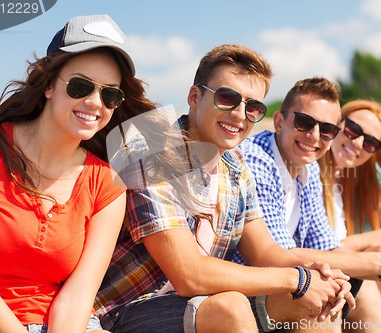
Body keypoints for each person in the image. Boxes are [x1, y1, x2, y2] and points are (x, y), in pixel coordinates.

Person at [95, 44, 355, 333]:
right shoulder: (152, 151)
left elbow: (265, 250)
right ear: (195, 97)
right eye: (228, 98)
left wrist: (314, 273)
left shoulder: (235, 165)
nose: (240, 114)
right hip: (128, 310)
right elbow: (188, 274)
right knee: (231, 306)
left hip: (197, 303)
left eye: (253, 107)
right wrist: (295, 279)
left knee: (315, 301)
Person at [0, 14, 157, 333]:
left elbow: (77, 296)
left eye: (110, 94)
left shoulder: (107, 183)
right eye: (80, 86)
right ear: (48, 84)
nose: (94, 102)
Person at [232, 78, 381, 328]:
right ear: (279, 122)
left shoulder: (309, 170)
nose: (314, 136)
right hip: (240, 293)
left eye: (327, 130)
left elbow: (327, 248)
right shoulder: (257, 158)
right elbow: (278, 255)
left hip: (280, 284)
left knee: (359, 289)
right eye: (304, 122)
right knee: (320, 294)